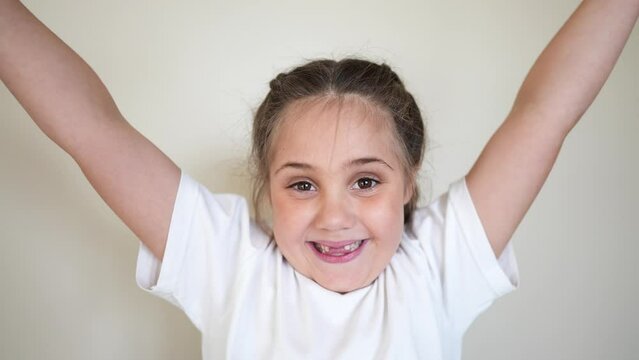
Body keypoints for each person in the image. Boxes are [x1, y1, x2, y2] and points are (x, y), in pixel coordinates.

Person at [1, 0, 637, 359]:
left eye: (366, 181)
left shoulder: (441, 265)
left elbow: (547, 114)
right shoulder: (229, 265)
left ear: (409, 183)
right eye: (302, 184)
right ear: (267, 187)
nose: (334, 216)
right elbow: (89, 127)